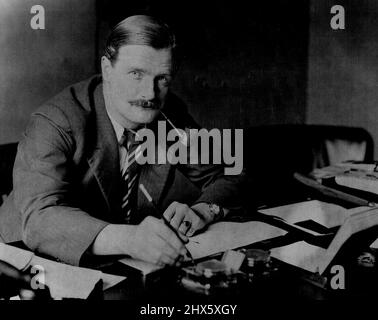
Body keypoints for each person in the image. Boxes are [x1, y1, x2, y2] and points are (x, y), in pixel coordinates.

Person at [0, 15, 245, 267]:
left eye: (162, 78)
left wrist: (203, 210)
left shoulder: (168, 114)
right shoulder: (56, 120)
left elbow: (231, 172)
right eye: (136, 74)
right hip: (22, 259)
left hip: (110, 263)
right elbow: (40, 218)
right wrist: (129, 239)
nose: (150, 93)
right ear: (107, 69)